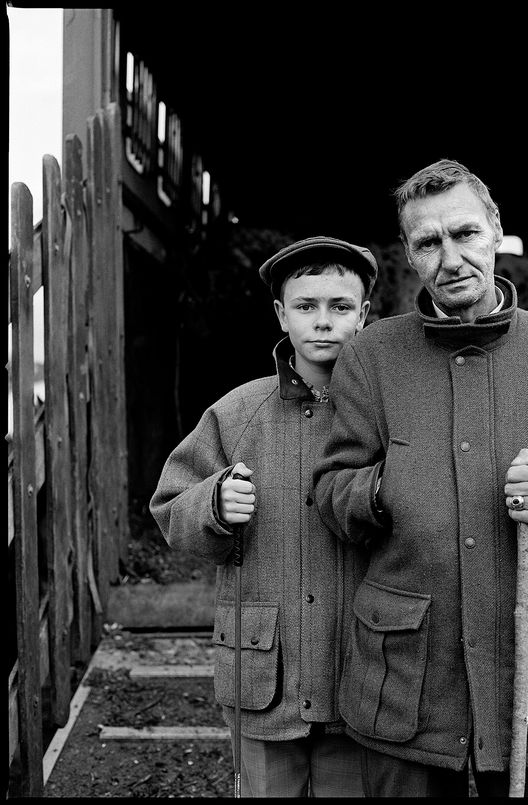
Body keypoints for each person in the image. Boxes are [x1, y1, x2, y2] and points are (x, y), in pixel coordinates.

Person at [312, 159, 528, 798]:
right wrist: (384, 490)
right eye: (428, 242)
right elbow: (330, 489)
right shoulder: (371, 357)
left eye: (465, 234)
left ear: (496, 231)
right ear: (409, 256)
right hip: (409, 679)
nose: (451, 257)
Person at [150, 235, 377, 797]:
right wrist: (214, 505)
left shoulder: (388, 417)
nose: (323, 322)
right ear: (280, 313)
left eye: (340, 307)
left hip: (361, 674)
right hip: (264, 677)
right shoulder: (236, 413)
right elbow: (169, 508)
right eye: (306, 306)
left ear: (365, 315)